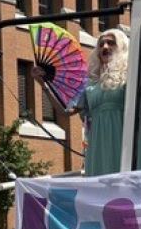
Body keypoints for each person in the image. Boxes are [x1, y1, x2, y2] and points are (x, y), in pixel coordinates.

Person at [35, 28, 129, 177]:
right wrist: (43, 84)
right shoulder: (90, 83)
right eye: (101, 44)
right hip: (98, 144)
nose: (105, 47)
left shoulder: (130, 76)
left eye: (111, 43)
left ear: (122, 47)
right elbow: (65, 111)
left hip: (123, 139)